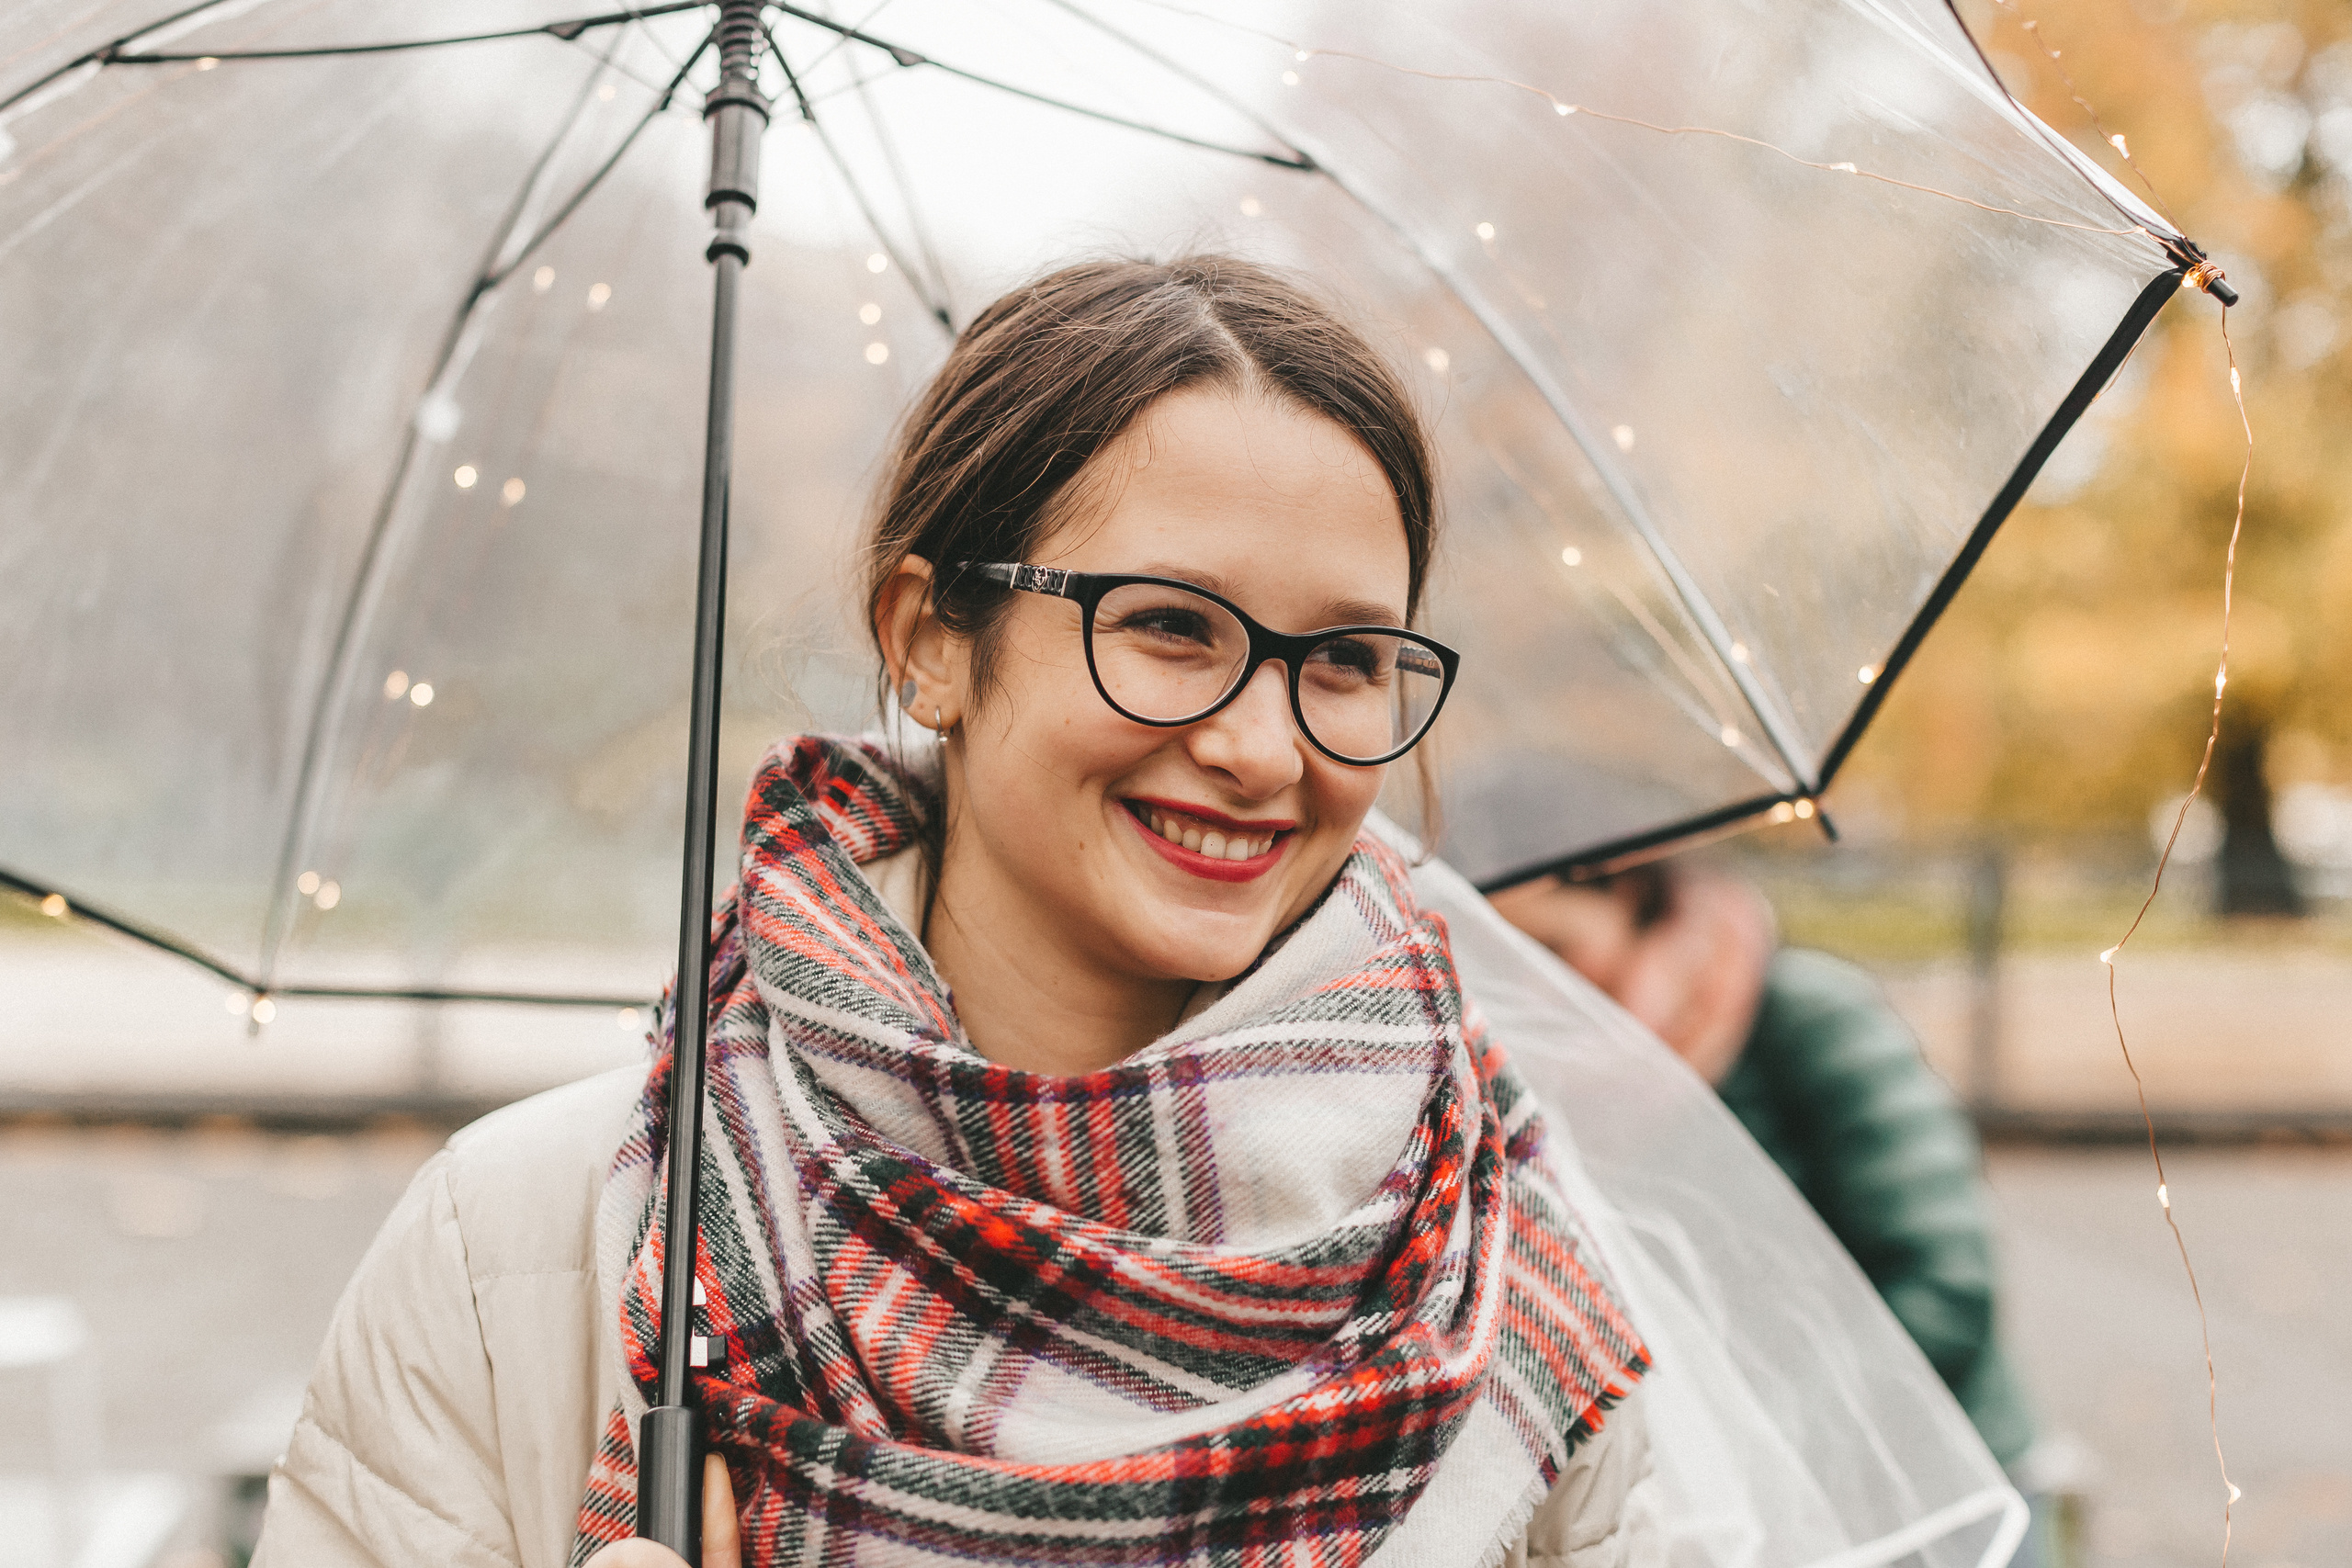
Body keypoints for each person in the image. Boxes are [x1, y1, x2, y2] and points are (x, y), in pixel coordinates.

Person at [253, 257, 1660, 1568]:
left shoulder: (1492, 1258)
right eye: (1171, 624)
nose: (1261, 747)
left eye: (1344, 657)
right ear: (930, 641)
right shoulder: (521, 1245)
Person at [1490, 862, 2046, 1549]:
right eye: (1507, 950)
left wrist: (1756, 1452)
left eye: (1554, 948)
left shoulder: (1804, 1015)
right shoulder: (1536, 1084)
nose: (1532, 983)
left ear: (1630, 895)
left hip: (1934, 1497)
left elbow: (1943, 1282)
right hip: (1756, 1524)